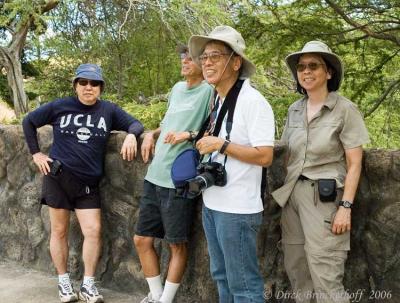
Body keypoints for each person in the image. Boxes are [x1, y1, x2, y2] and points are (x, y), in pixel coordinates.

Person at [22, 63, 144, 303]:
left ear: (100, 87)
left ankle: (88, 285)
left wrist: (131, 135)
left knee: (93, 231)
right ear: (76, 85)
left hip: (88, 183)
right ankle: (64, 282)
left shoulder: (108, 110)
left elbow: (136, 124)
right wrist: (36, 153)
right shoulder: (60, 106)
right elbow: (28, 122)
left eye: (94, 83)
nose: (89, 87)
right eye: (84, 82)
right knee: (59, 231)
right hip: (58, 177)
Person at [272, 41, 369, 303]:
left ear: (328, 72)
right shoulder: (294, 109)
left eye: (313, 65)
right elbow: (286, 153)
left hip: (323, 200)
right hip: (292, 197)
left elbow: (355, 163)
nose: (306, 71)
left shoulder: (345, 109)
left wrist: (345, 206)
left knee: (326, 274)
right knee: (297, 271)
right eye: (301, 67)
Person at [189, 25, 275, 302]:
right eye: (204, 57)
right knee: (222, 277)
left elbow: (265, 155)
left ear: (235, 62)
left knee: (244, 287)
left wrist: (221, 145)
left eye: (216, 55)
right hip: (213, 203)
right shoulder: (219, 99)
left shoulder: (253, 102)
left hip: (237, 209)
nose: (208, 62)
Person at [133, 45, 213, 303]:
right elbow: (168, 123)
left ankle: (166, 300)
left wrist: (188, 135)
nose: (185, 61)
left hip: (179, 178)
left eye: (191, 58)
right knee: (142, 239)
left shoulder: (209, 91)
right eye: (183, 57)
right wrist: (149, 134)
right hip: (154, 175)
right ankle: (156, 296)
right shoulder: (177, 90)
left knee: (176, 244)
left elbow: (213, 130)